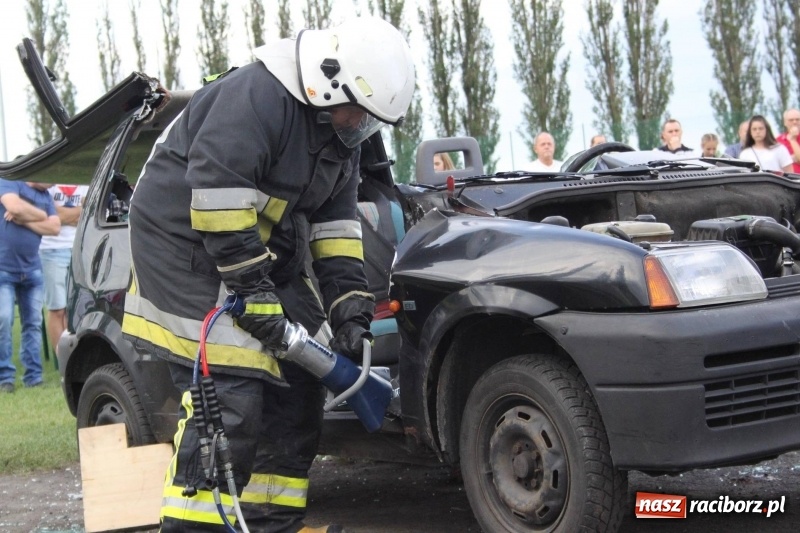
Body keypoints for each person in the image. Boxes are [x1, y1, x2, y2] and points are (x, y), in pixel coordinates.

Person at [120, 16, 415, 533]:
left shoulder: (337, 137)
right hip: (184, 247)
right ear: (327, 84)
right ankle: (198, 526)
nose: (360, 127)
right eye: (357, 114)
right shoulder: (257, 97)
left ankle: (268, 521)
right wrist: (253, 293)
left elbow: (336, 229)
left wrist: (350, 309)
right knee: (231, 390)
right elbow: (218, 201)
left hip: (258, 248)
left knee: (298, 383)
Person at [0, 180, 60, 393]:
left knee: (33, 324)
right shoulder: (9, 182)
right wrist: (40, 215)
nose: (52, 185)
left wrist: (24, 219)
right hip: (4, 269)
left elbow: (54, 226)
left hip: (33, 269)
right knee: (4, 320)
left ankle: (33, 376)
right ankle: (5, 377)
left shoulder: (46, 197)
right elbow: (14, 207)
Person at [39, 184, 88, 356]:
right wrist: (80, 210)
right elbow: (49, 215)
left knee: (75, 308)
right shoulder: (48, 184)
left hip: (78, 247)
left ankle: (75, 356)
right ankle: (62, 359)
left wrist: (60, 214)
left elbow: (89, 213)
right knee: (57, 309)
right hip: (51, 249)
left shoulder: (82, 182)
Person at [776, 108, 800, 173]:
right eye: (791, 120)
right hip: (784, 180)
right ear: (785, 123)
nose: (794, 122)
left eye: (797, 119)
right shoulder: (778, 140)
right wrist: (791, 158)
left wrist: (793, 140)